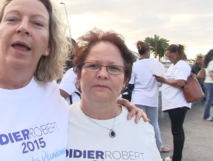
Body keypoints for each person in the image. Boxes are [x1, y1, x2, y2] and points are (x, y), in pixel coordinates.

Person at [0, 0, 144, 160]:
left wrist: (118, 107)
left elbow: (85, 117)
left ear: (48, 46)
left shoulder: (51, 96)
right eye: (12, 19)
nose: (23, 28)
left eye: (37, 23)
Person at [66, 29, 162, 160]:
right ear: (78, 75)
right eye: (93, 66)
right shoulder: (58, 122)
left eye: (113, 68)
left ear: (125, 81)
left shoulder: (141, 128)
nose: (103, 74)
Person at [129, 41, 170, 153]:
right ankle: (159, 146)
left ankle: (137, 146)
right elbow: (161, 82)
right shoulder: (157, 64)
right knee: (154, 123)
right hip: (152, 98)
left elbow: (131, 85)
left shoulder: (134, 66)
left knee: (137, 122)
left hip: (138, 98)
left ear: (139, 52)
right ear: (149, 51)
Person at [154, 44, 191, 161]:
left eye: (170, 56)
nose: (168, 58)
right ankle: (176, 156)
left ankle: (177, 158)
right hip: (174, 103)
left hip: (178, 103)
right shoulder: (176, 65)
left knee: (177, 131)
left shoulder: (182, 65)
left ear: (176, 53)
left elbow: (180, 83)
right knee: (177, 130)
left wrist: (164, 80)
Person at [203, 49, 213, 121]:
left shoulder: (208, 62)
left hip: (207, 82)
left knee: (208, 100)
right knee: (210, 100)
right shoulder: (212, 63)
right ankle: (206, 116)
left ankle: (207, 114)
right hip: (210, 83)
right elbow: (210, 73)